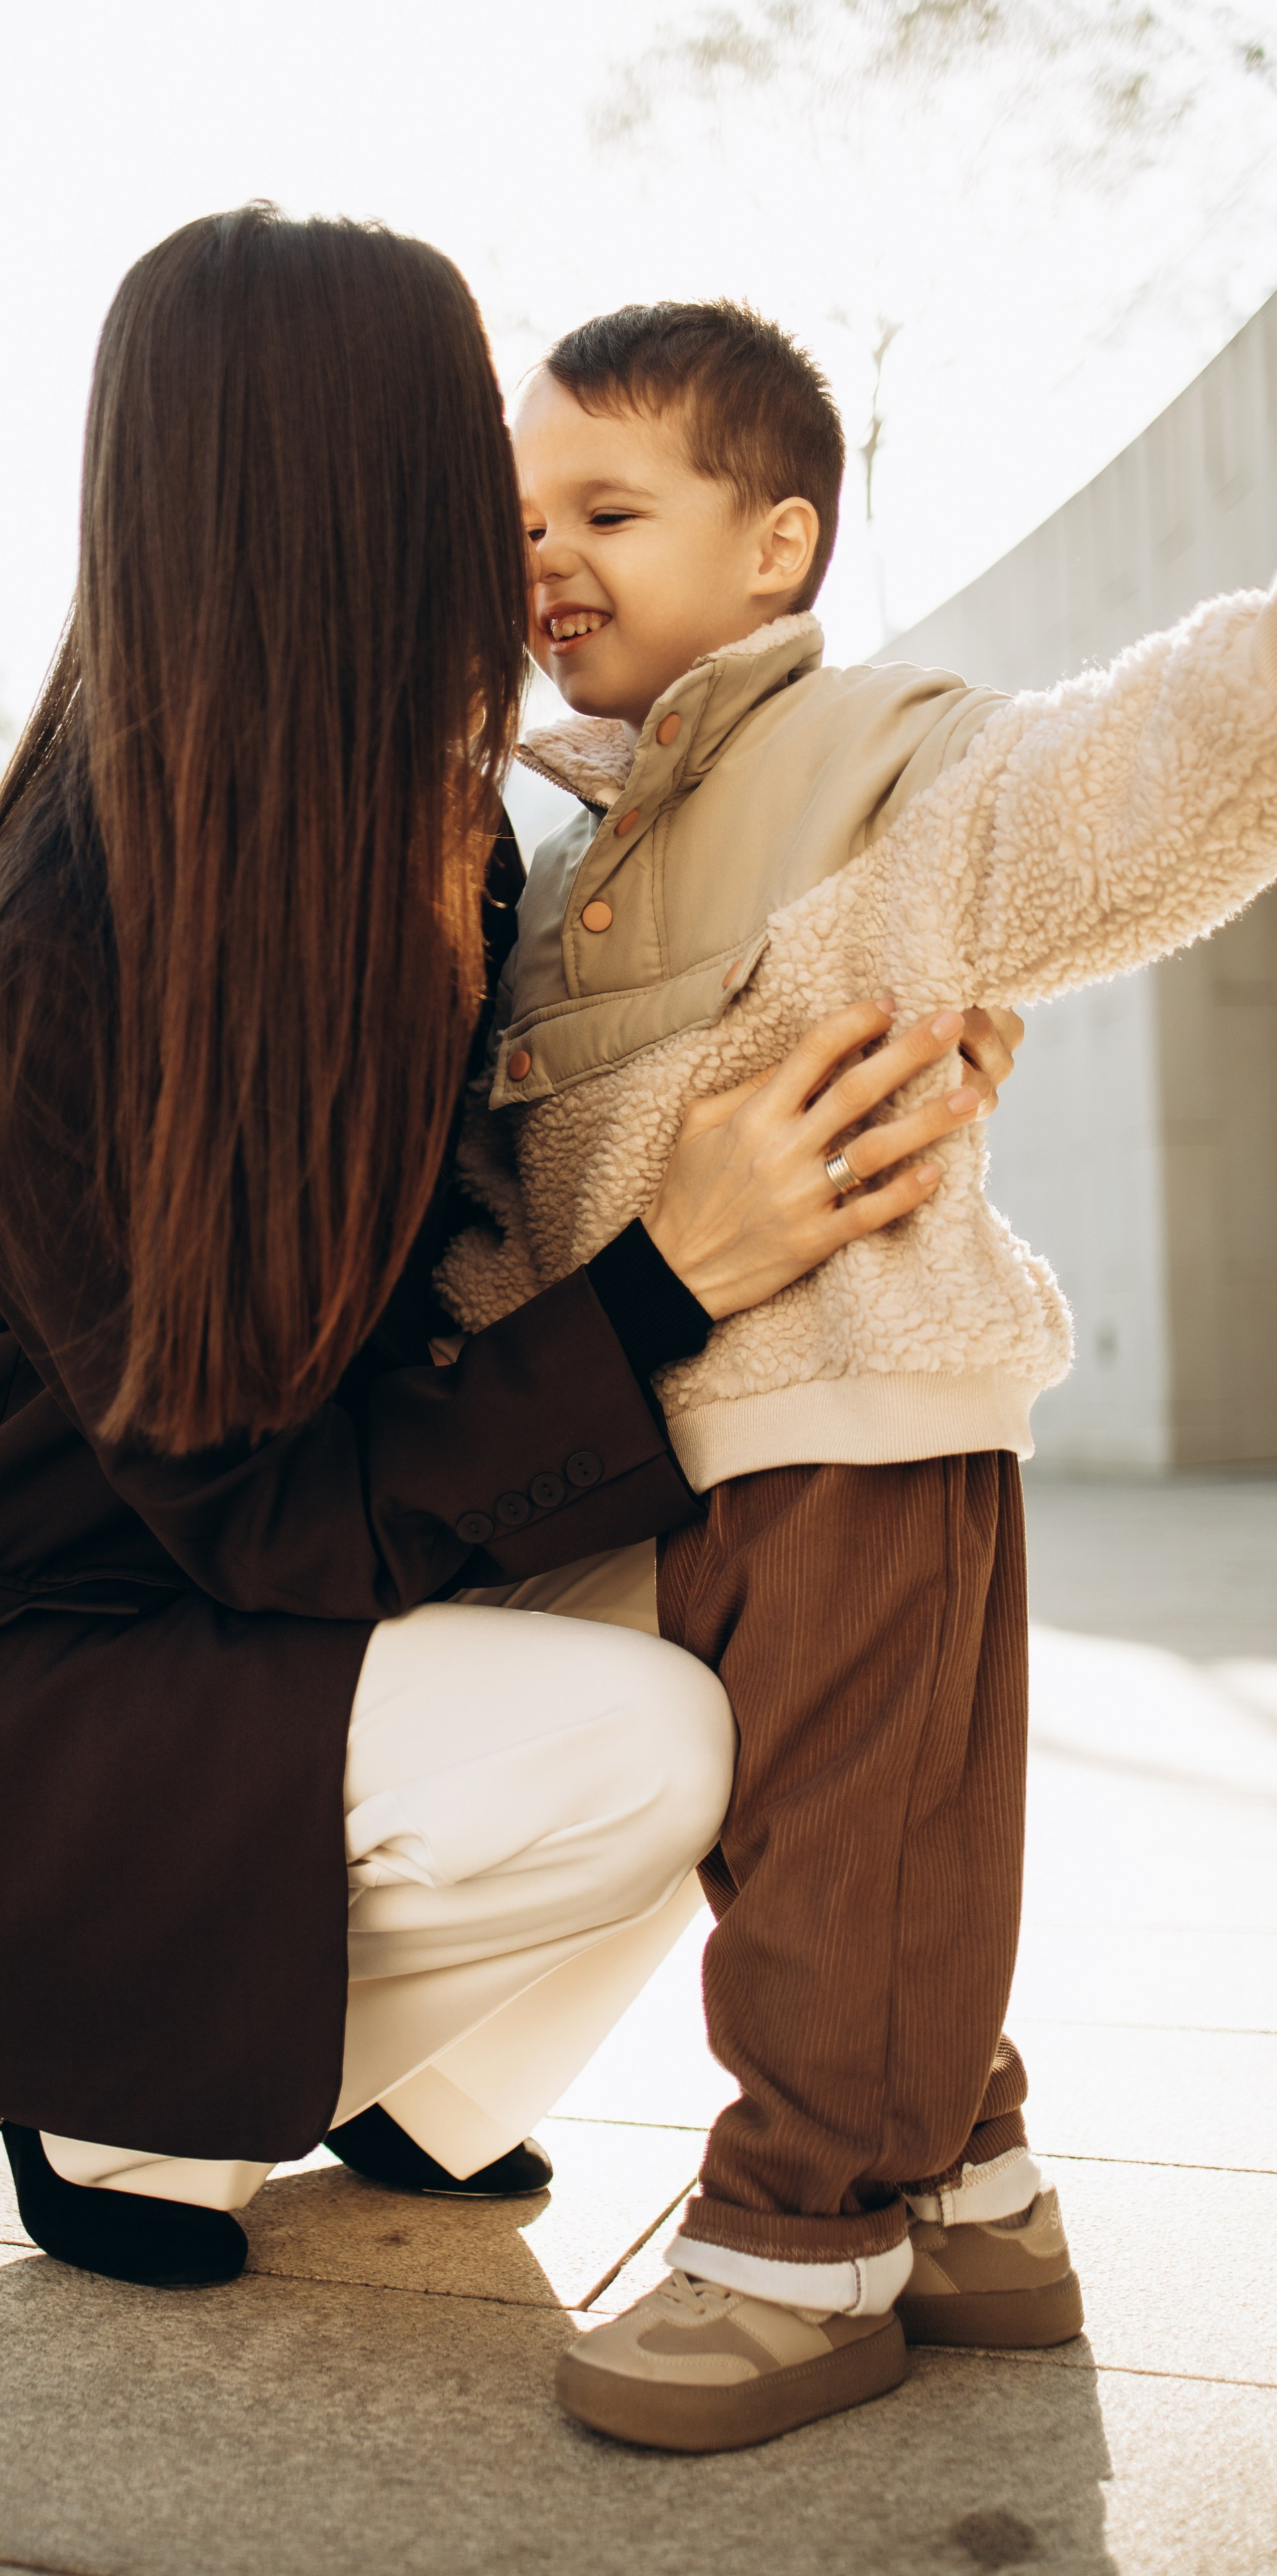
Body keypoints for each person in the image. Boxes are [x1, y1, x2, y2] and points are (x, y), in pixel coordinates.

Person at [0, 211, 1017, 2371]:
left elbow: (601, 1124)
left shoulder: (442, 839)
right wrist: (659, 1283)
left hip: (238, 1607)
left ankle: (425, 2095)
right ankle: (119, 2107)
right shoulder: (65, 954)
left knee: (751, 1541)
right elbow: (272, 1515)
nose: (516, 518)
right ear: (353, 498)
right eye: (470, 449)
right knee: (641, 1735)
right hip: (21, 1699)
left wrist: (914, 1022)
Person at [437, 299, 1277, 2453]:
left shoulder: (881, 760)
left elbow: (1138, 766)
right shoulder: (551, 855)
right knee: (825, 1848)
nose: (550, 556)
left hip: (853, 1427)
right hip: (672, 1438)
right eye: (524, 514)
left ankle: (804, 2245)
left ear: (780, 546)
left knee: (847, 1869)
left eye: (611, 508)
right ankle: (980, 2200)